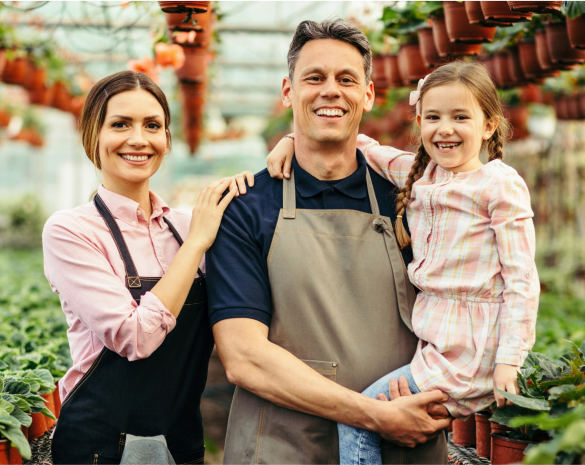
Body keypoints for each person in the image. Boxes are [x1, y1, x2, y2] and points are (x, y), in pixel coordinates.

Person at [266, 60, 540, 465]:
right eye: (433, 117)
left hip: (471, 352)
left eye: (460, 117)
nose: (444, 129)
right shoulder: (422, 176)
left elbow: (522, 281)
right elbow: (367, 148)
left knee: (359, 417)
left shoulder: (499, 185)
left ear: (488, 126)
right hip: (438, 347)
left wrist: (508, 362)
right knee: (384, 422)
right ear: (419, 122)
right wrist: (292, 139)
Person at [206, 19, 451, 465]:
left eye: (346, 79)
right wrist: (376, 416)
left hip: (402, 444)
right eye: (314, 78)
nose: (330, 91)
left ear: (369, 94)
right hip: (282, 447)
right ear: (288, 91)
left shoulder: (412, 204)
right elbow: (243, 357)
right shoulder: (245, 208)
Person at [43, 70, 253, 464]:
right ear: (95, 136)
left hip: (180, 440)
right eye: (120, 124)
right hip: (97, 446)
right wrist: (196, 245)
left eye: (152, 125)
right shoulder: (71, 230)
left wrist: (288, 150)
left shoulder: (189, 226)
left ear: (166, 140)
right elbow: (133, 338)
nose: (138, 138)